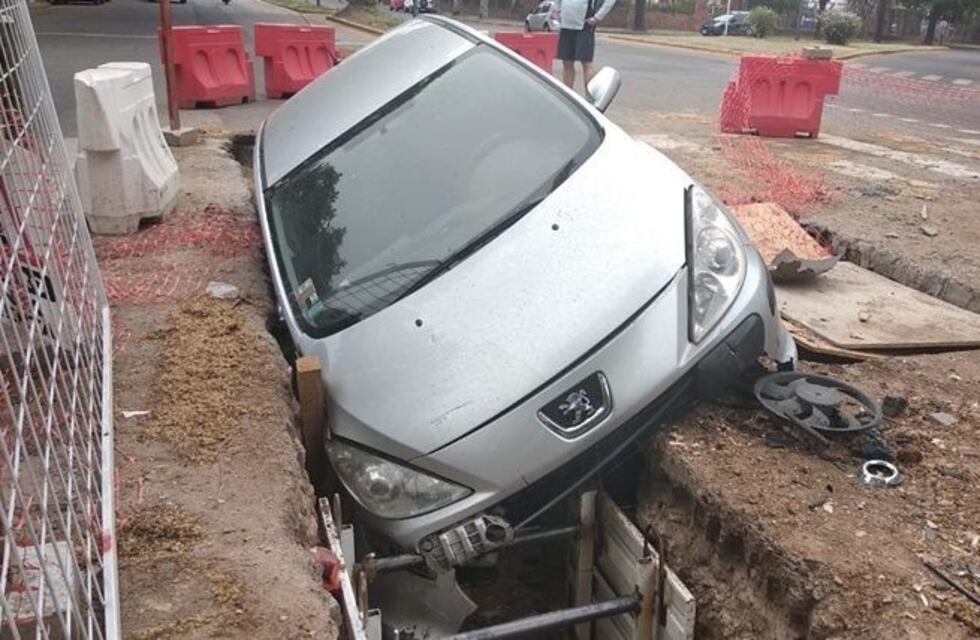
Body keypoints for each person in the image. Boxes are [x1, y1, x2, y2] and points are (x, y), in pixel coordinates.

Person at [555, 0, 616, 91]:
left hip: (584, 26)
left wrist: (597, 17)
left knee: (586, 63)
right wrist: (558, 11)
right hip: (566, 26)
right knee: (567, 63)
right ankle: (567, 94)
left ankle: (590, 96)